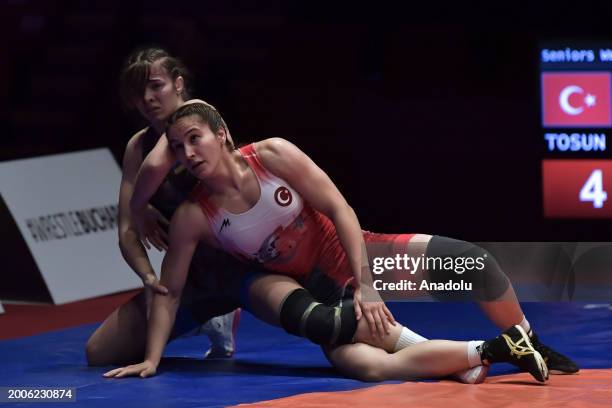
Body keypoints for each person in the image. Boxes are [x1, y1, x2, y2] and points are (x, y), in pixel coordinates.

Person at [103, 102, 577, 382]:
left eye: (195, 139)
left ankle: (530, 340)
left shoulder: (272, 155)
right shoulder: (194, 217)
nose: (188, 153)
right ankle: (490, 350)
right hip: (315, 291)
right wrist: (151, 357)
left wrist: (367, 284)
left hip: (358, 257)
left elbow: (339, 209)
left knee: (473, 265)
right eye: (180, 148)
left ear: (222, 135)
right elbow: (172, 289)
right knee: (365, 368)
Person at [85, 48, 243, 365]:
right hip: (187, 277)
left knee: (320, 324)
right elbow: (127, 229)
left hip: (240, 267)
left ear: (179, 84)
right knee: (99, 352)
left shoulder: (204, 116)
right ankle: (204, 318)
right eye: (137, 92)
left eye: (156, 86)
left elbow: (231, 198)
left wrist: (141, 202)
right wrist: (147, 278)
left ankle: (225, 311)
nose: (147, 98)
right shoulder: (137, 146)